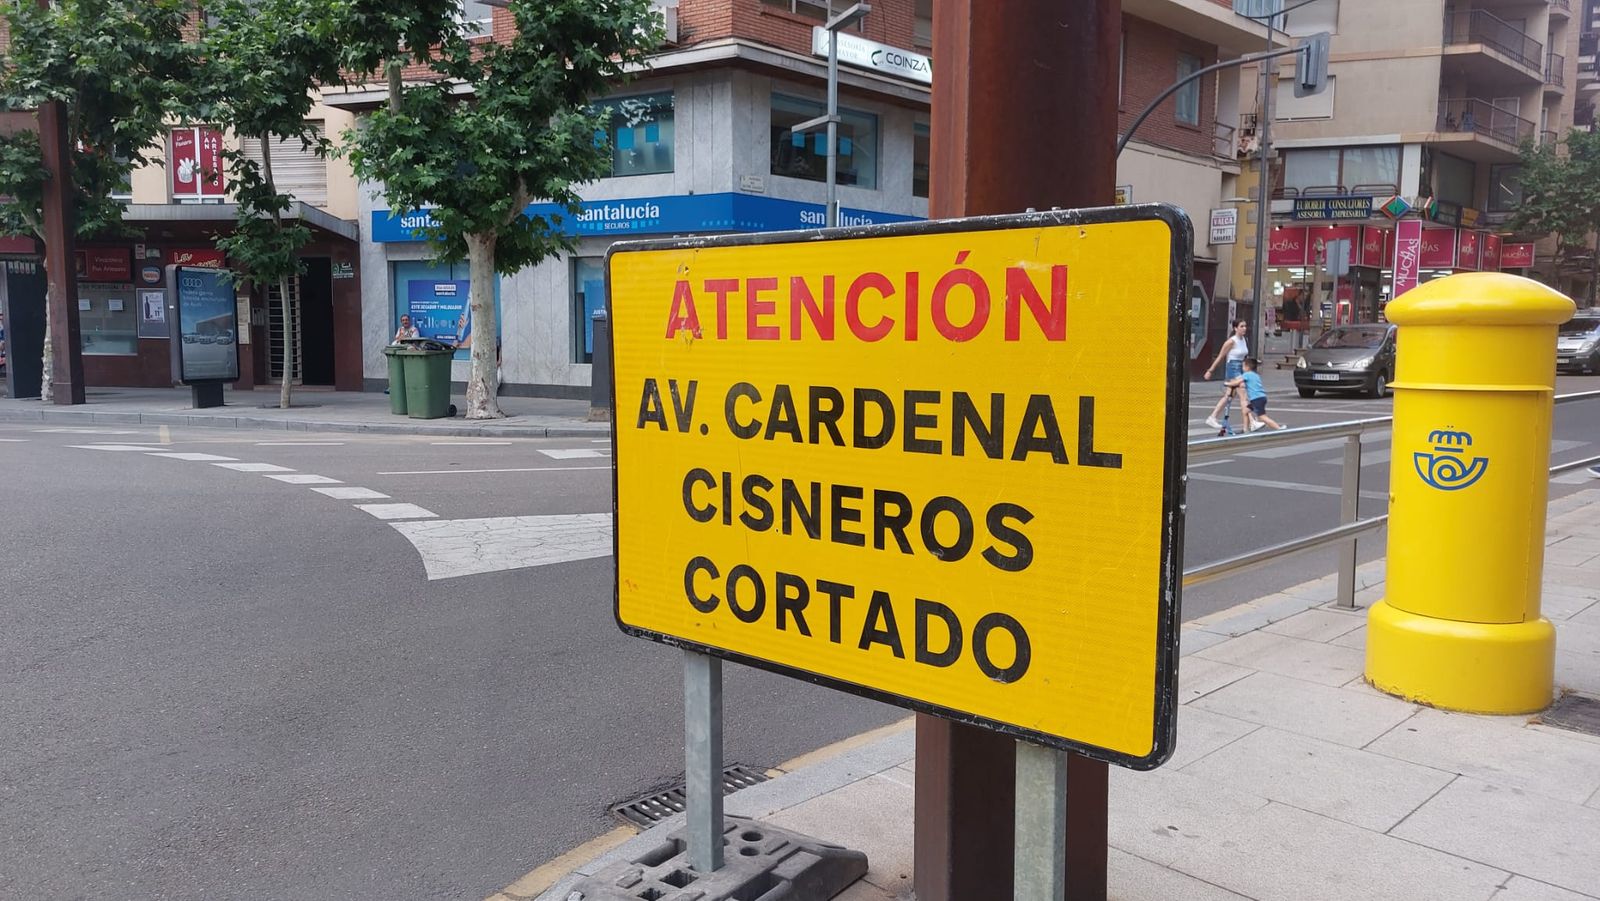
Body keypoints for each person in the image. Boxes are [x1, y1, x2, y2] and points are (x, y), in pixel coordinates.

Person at [1204, 319, 1251, 429]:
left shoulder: (1244, 339)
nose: (1244, 328)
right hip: (1233, 368)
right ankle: (1252, 422)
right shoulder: (1231, 341)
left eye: (1245, 326)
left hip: (1241, 367)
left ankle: (1212, 417)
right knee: (1243, 394)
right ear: (1235, 328)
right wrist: (1210, 370)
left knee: (1229, 395)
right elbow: (1221, 356)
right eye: (1242, 326)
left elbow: (1244, 356)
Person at [1226, 357, 1286, 431]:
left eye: (1243, 366)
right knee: (1245, 411)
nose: (1242, 368)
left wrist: (1228, 383)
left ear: (1247, 367)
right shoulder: (1255, 375)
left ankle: (1279, 428)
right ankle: (1245, 430)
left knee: (1262, 417)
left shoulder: (1247, 374)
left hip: (1256, 399)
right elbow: (1247, 384)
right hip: (1261, 397)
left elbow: (1237, 382)